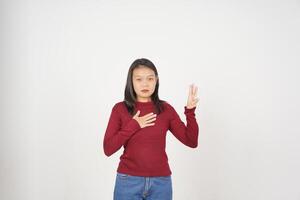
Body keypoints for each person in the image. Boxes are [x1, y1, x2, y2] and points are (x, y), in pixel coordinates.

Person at [103, 58, 200, 200]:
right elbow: (108, 148)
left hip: (160, 183)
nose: (145, 84)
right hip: (128, 182)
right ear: (131, 81)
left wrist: (190, 112)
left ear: (156, 80)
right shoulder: (120, 109)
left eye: (150, 78)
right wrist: (134, 124)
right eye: (139, 79)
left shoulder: (165, 109)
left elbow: (191, 141)